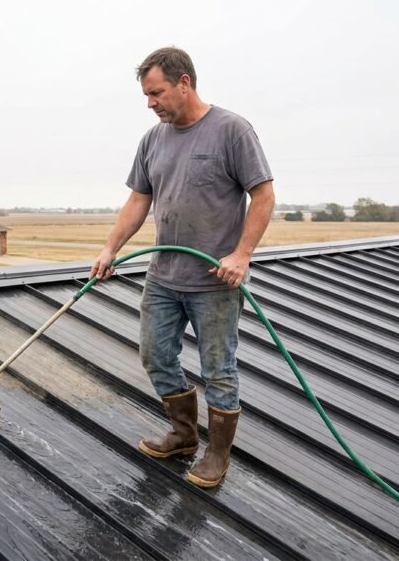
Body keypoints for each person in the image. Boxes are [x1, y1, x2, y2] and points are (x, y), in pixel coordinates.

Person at [89, 47, 275, 488]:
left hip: (214, 280)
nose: (150, 103)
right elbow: (139, 199)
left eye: (156, 93)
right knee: (155, 353)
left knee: (218, 369)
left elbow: (263, 196)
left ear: (184, 83)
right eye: (147, 95)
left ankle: (217, 453)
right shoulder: (153, 139)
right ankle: (184, 434)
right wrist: (110, 248)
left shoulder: (231, 130)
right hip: (164, 275)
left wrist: (241, 254)